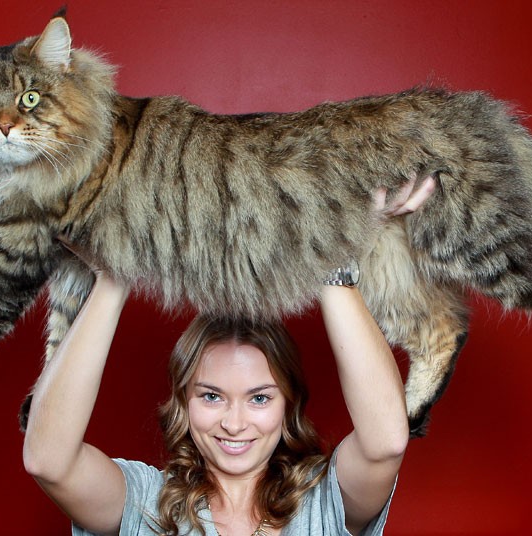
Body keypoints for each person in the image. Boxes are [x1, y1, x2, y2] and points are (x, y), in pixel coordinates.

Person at [22, 176, 436, 535]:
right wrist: (114, 276)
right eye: (211, 396)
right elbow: (48, 461)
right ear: (183, 401)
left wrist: (331, 249)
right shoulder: (147, 502)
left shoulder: (324, 498)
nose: (234, 425)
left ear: (288, 403)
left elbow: (385, 443)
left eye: (259, 398)